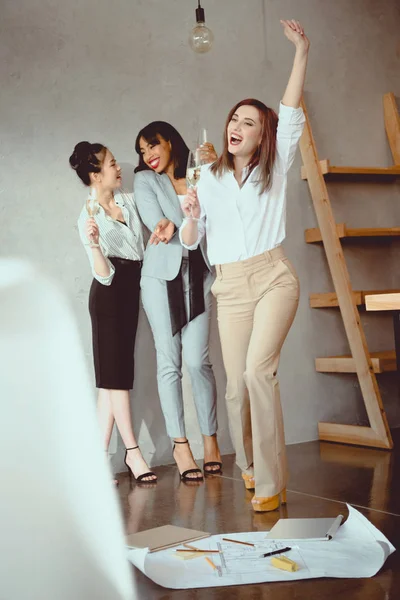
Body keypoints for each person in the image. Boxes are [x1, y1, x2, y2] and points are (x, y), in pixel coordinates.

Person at [180, 20, 310, 511]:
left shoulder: (276, 169)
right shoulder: (208, 178)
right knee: (235, 387)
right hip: (229, 286)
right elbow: (194, 240)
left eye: (250, 122)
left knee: (259, 372)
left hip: (274, 277)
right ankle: (251, 466)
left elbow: (292, 112)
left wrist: (300, 52)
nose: (237, 126)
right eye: (235, 118)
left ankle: (274, 482)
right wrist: (191, 217)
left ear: (264, 134)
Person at [133, 122, 222, 481]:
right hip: (160, 279)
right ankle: (181, 446)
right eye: (141, 151)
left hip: (200, 276)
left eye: (152, 146)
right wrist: (166, 223)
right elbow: (155, 219)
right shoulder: (144, 181)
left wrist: (220, 171)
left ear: (170, 142)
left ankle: (211, 442)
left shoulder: (201, 173)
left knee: (198, 361)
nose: (147, 155)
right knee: (169, 363)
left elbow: (221, 215)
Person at [70, 141, 156, 484]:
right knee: (117, 379)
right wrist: (93, 244)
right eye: (110, 164)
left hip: (131, 290)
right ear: (95, 174)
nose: (118, 167)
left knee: (111, 381)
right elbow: (103, 275)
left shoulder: (129, 202)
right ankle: (133, 452)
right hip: (107, 296)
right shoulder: (86, 218)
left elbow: (141, 248)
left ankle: (95, 460)